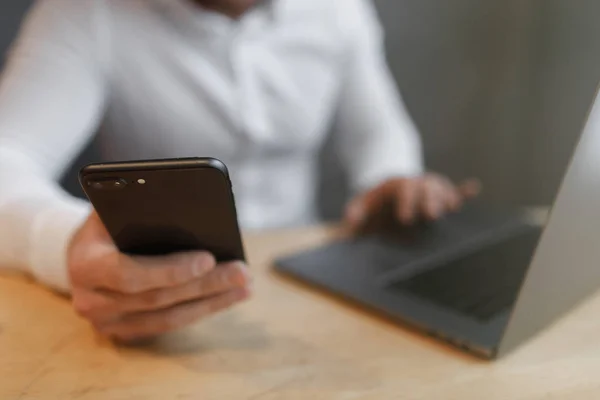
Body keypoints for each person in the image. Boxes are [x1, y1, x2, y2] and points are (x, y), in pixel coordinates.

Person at [0, 0, 479, 342]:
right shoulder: (87, 15)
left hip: (312, 292)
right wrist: (66, 245)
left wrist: (390, 177)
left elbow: (379, 132)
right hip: (167, 296)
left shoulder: (339, 10)